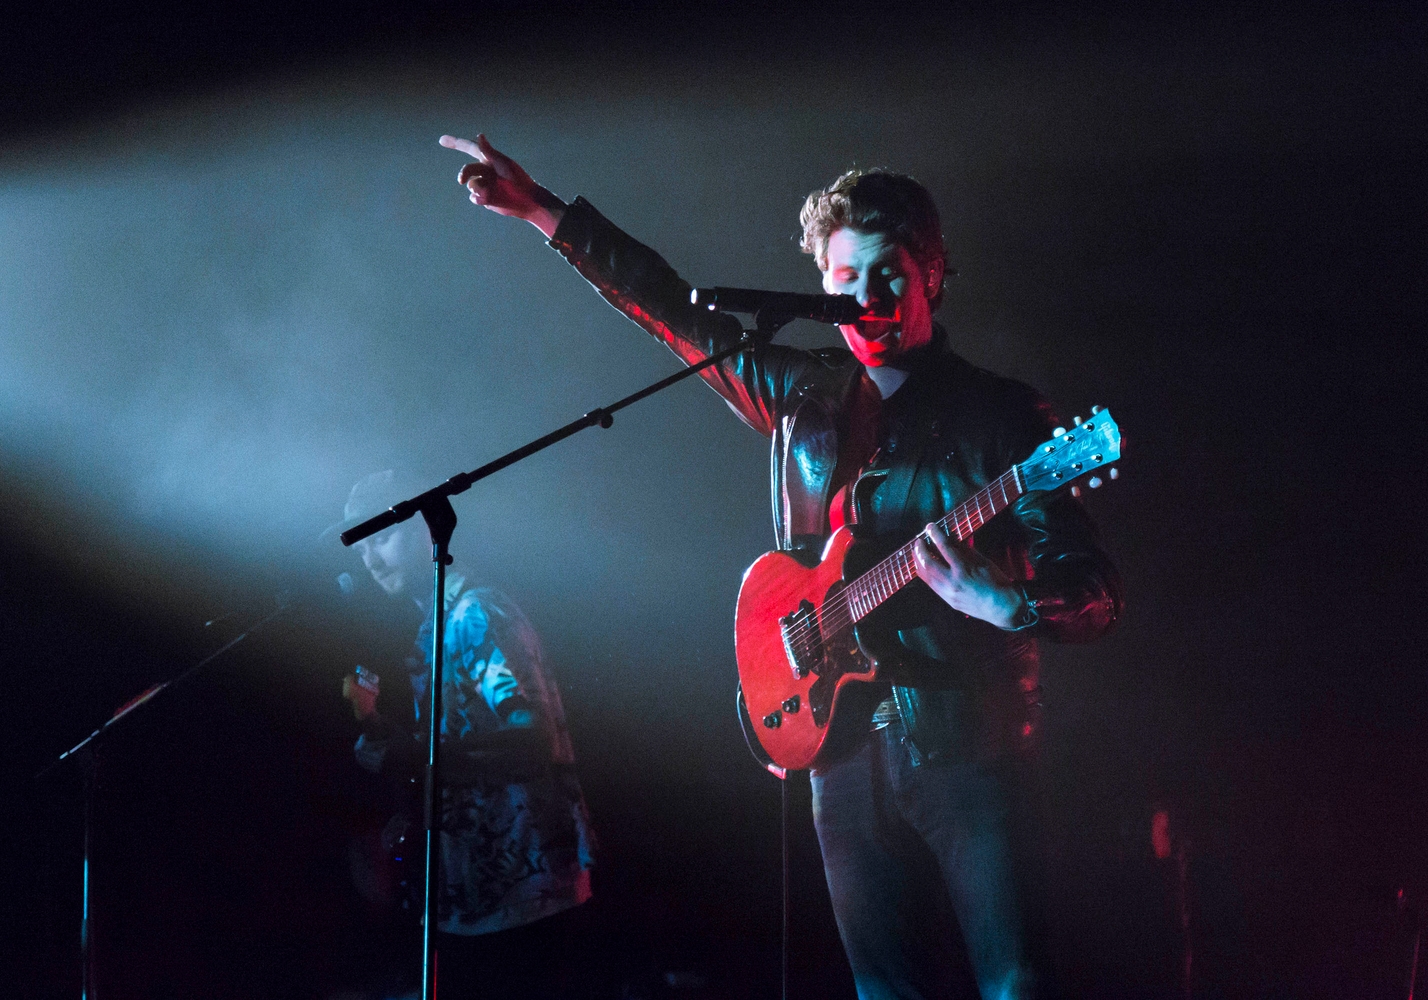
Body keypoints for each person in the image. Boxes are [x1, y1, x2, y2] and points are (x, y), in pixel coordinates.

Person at [439, 133, 1122, 1000]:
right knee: (883, 989)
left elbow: (1096, 595)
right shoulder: (804, 396)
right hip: (834, 754)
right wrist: (542, 212)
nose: (867, 298)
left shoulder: (1003, 417)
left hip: (967, 746)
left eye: (889, 277)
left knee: (1014, 983)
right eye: (845, 280)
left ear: (933, 275)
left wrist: (1004, 602)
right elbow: (674, 312)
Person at [334, 470, 598, 999]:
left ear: (422, 531)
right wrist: (387, 737)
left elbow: (529, 736)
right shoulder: (435, 625)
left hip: (526, 895)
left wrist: (416, 755)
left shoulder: (474, 615)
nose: (368, 559)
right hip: (480, 899)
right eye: (360, 546)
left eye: (381, 537)